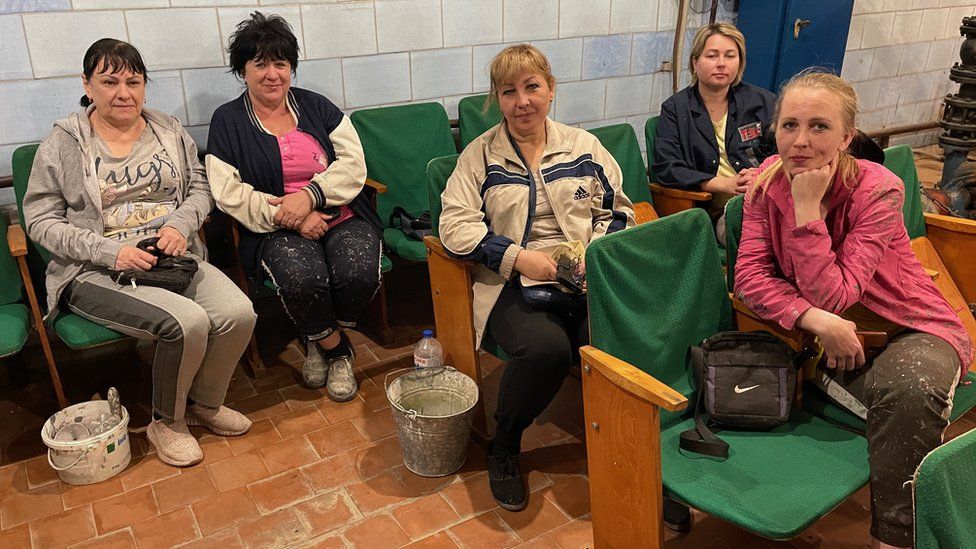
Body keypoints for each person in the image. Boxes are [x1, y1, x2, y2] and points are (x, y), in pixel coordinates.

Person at [734, 71, 973, 549]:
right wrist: (817, 321)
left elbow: (837, 293)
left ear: (847, 136)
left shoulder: (878, 189)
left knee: (911, 391)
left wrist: (806, 213)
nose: (800, 142)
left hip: (909, 326)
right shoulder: (765, 184)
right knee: (903, 410)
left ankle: (893, 540)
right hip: (832, 338)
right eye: (789, 125)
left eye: (819, 127)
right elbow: (751, 278)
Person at [23, 38, 257, 467]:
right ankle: (167, 422)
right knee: (186, 323)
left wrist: (178, 225)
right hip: (94, 270)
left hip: (173, 259)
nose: (123, 92)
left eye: (133, 81)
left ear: (145, 85)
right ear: (87, 85)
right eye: (109, 81)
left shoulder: (167, 129)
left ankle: (205, 404)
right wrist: (111, 251)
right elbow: (39, 220)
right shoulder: (62, 144)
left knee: (238, 313)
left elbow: (201, 186)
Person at [439, 44, 635, 511]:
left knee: (614, 337)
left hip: (587, 278)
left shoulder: (584, 147)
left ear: (550, 90)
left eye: (532, 87)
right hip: (510, 282)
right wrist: (517, 257)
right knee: (547, 349)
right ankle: (504, 444)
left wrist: (596, 253)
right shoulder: (479, 155)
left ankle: (626, 445)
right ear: (497, 99)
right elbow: (454, 224)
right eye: (509, 91)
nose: (522, 100)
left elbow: (618, 211)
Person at [206, 13, 383, 402]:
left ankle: (317, 336)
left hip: (339, 213)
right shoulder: (227, 121)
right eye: (260, 63)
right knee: (302, 278)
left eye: (281, 63)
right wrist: (291, 215)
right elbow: (227, 191)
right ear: (243, 70)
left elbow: (354, 164)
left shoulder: (317, 107)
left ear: (292, 67)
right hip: (275, 226)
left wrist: (311, 197)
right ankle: (338, 350)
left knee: (358, 272)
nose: (272, 74)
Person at [653, 22, 776, 242]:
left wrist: (759, 174)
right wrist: (722, 183)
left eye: (730, 56)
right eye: (712, 56)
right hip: (716, 210)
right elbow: (666, 168)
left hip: (768, 196)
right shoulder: (675, 109)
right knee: (760, 235)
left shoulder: (763, 102)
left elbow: (784, 152)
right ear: (695, 62)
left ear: (740, 63)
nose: (721, 64)